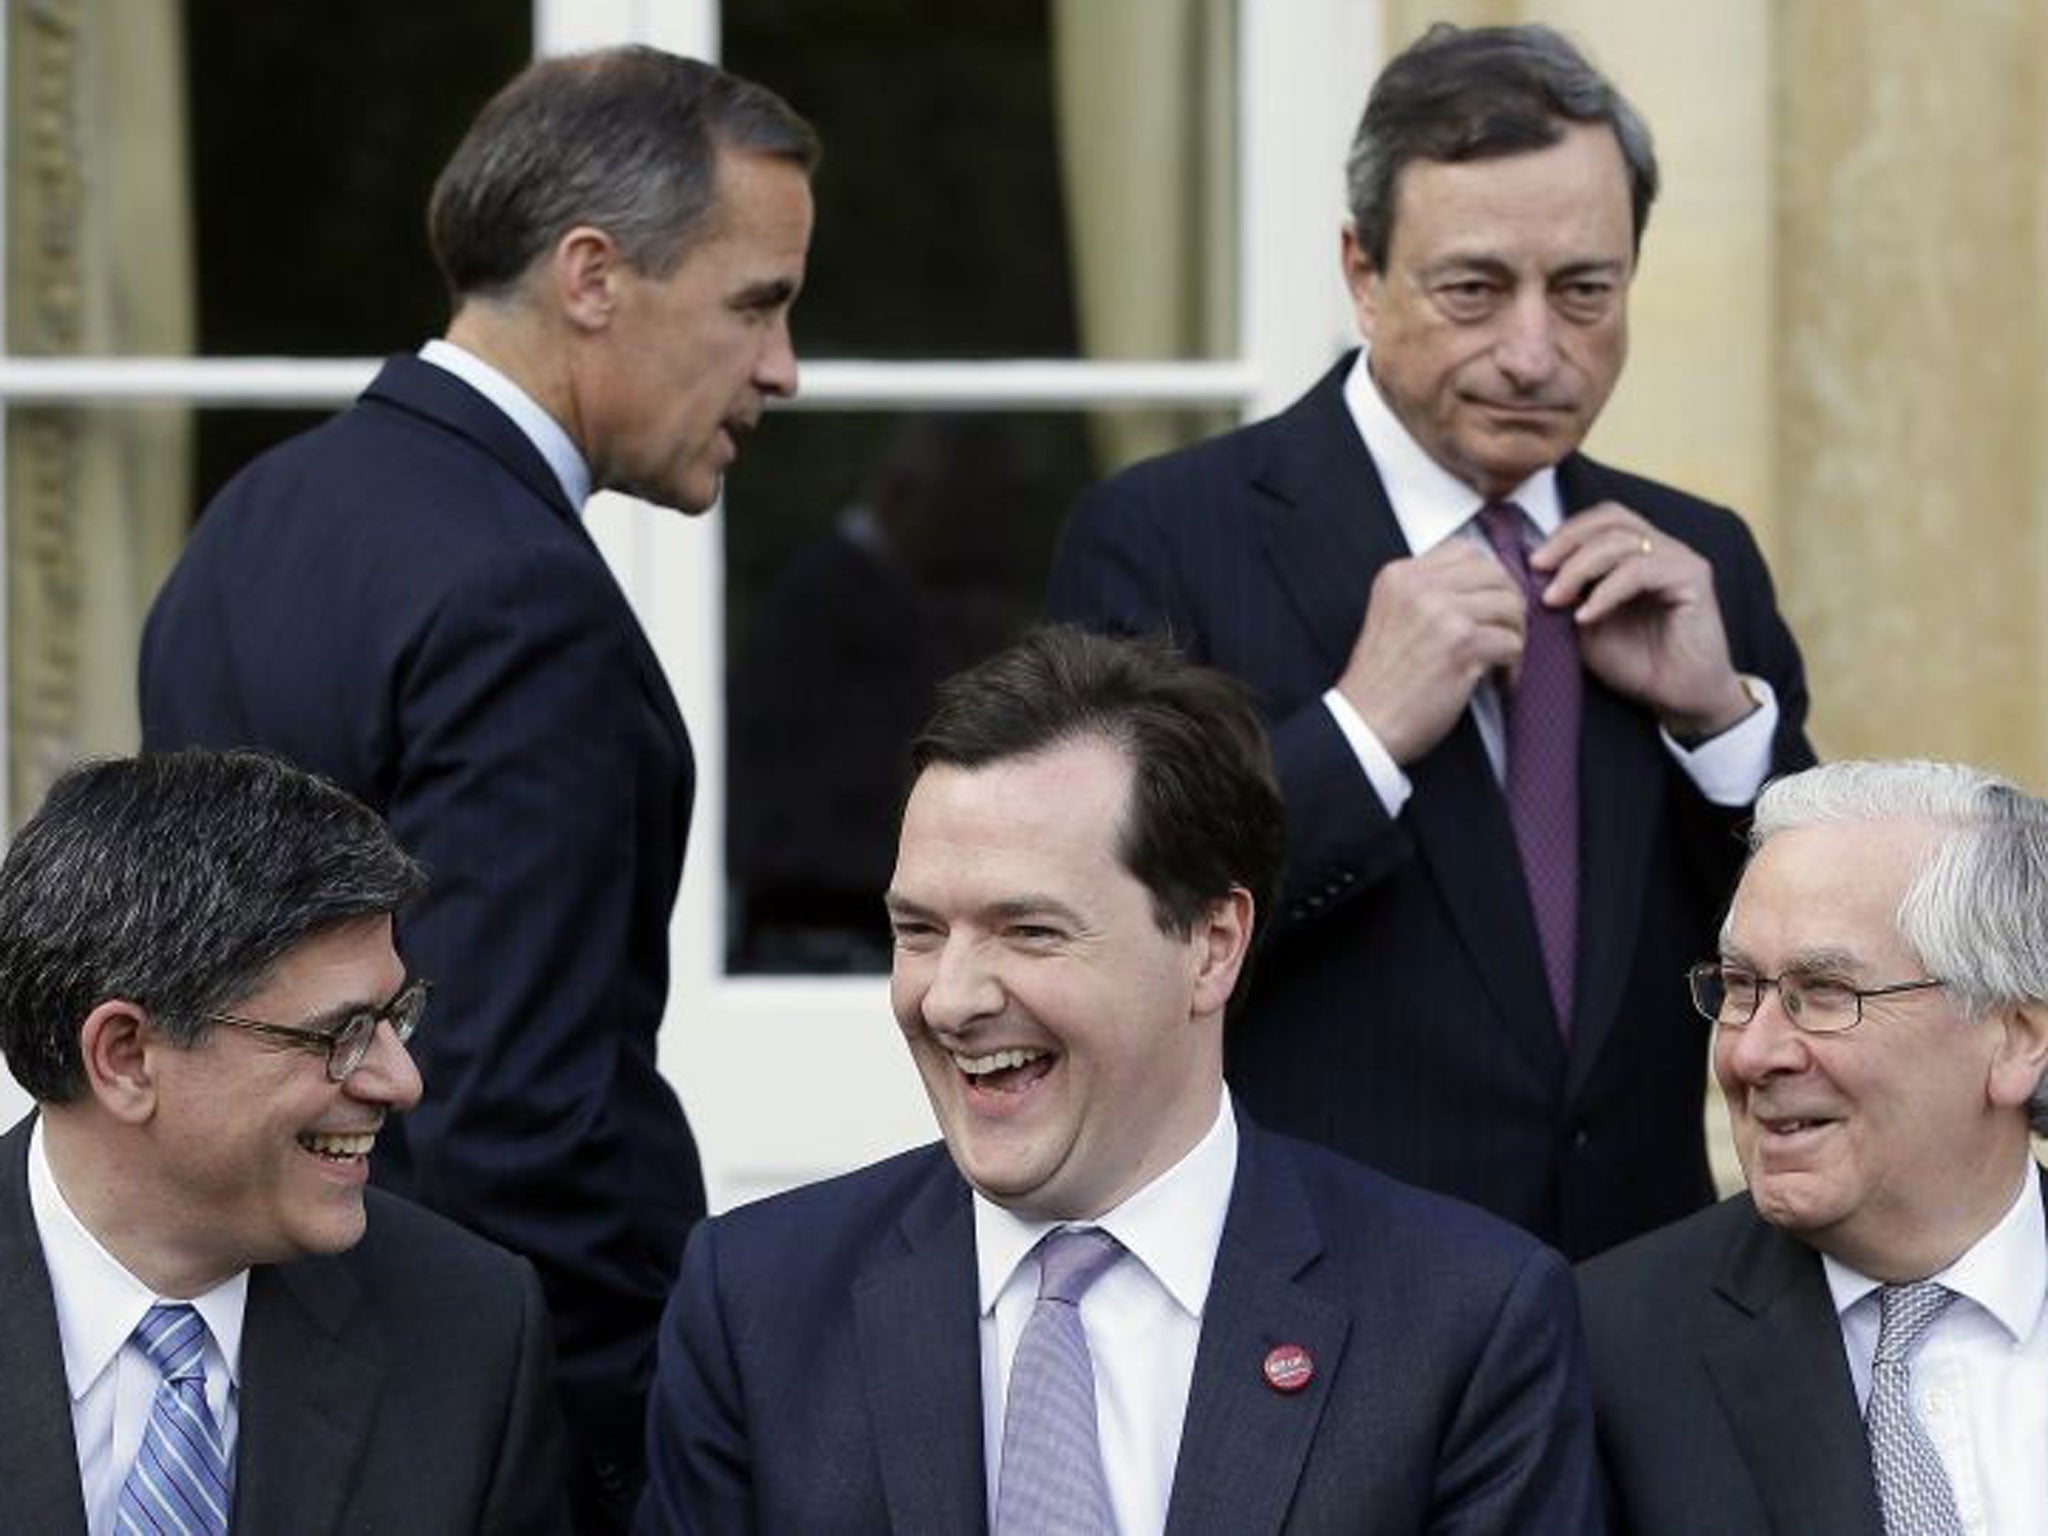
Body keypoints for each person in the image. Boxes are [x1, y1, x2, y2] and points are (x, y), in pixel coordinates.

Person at [136, 46, 817, 1528]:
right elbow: (511, 1113)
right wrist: (641, 1453)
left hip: (266, 1363)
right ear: (592, 276)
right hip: (483, 1424)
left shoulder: (258, 513)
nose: (783, 367)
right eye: (756, 303)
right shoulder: (519, 593)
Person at [1047, 21, 1813, 1261]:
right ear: (1361, 272)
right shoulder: (1164, 535)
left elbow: (1813, 950)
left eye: (1583, 292)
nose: (1531, 351)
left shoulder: (1695, 554)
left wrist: (1720, 728)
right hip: (1317, 1304)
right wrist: (1358, 735)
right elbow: (1107, 935)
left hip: (1640, 1301)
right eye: (1472, 289)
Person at [638, 628, 1600, 1536]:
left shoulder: (1460, 1325)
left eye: (1030, 931)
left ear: (1211, 946)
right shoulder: (758, 1309)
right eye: (919, 931)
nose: (951, 999)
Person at [0, 749, 568, 1535]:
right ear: (125, 1057)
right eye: (342, 1034)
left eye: (395, 1018)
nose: (401, 1082)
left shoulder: (469, 1334)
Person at [1578, 760, 2048, 1535]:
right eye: (1738, 988)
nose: (1752, 1054)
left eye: (1824, 992)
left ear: (2015, 1039)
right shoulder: (1603, 1348)